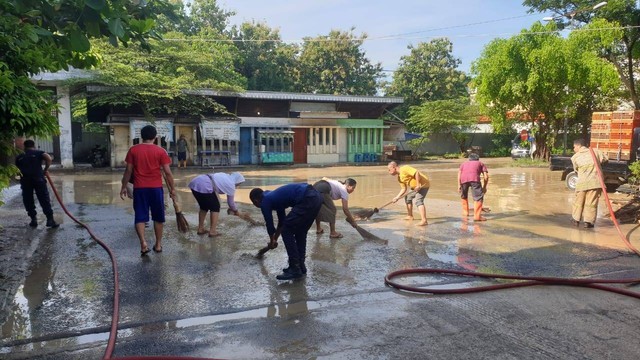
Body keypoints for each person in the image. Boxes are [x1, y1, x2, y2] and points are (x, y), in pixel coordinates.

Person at [119, 125, 176, 256]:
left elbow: (128, 170)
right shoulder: (161, 151)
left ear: (141, 137)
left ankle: (143, 243)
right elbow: (168, 173)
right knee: (158, 217)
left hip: (140, 188)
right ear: (155, 137)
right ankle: (158, 244)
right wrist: (173, 189)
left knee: (140, 216)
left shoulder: (133, 150)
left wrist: (123, 186)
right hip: (156, 188)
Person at [250, 183, 323, 280]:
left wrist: (272, 241)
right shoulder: (273, 196)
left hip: (306, 198)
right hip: (316, 197)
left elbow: (269, 223)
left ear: (256, 201)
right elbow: (282, 222)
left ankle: (294, 268)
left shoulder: (265, 201)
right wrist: (274, 239)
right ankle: (300, 266)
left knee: (287, 230)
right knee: (300, 231)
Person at [15, 140, 59, 228]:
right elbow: (49, 159)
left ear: (24, 146)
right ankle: (50, 220)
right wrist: (45, 169)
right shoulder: (39, 153)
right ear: (33, 145)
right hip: (38, 179)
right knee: (44, 198)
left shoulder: (19, 156)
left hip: (26, 181)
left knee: (28, 199)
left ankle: (33, 220)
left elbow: (17, 169)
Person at [188, 172, 246, 237]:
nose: (238, 185)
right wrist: (236, 211)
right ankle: (212, 231)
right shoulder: (231, 185)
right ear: (237, 181)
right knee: (215, 207)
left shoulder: (225, 175)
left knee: (204, 207)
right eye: (239, 183)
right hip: (205, 185)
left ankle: (200, 229)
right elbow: (231, 203)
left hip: (195, 182)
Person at [571, 138, 608, 228]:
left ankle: (576, 220)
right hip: (595, 183)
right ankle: (588, 222)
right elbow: (606, 159)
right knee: (591, 203)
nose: (573, 149)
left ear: (579, 146)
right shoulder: (596, 152)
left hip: (581, 184)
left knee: (578, 202)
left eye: (574, 147)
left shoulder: (574, 157)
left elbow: (576, 170)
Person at [387, 161, 430, 226]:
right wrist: (397, 197)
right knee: (407, 198)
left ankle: (424, 221)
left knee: (419, 201)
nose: (389, 171)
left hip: (423, 185)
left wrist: (418, 185)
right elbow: (403, 189)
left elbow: (416, 173)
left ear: (394, 167)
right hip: (414, 187)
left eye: (389, 169)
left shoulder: (404, 168)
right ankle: (410, 216)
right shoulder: (399, 178)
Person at [457, 153, 489, 221]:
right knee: (478, 198)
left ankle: (465, 213)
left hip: (463, 180)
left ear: (469, 159)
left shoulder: (463, 164)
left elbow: (459, 174)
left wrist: (459, 185)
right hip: (475, 180)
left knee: (464, 196)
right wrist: (484, 187)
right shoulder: (480, 163)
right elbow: (486, 177)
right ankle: (477, 216)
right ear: (478, 159)